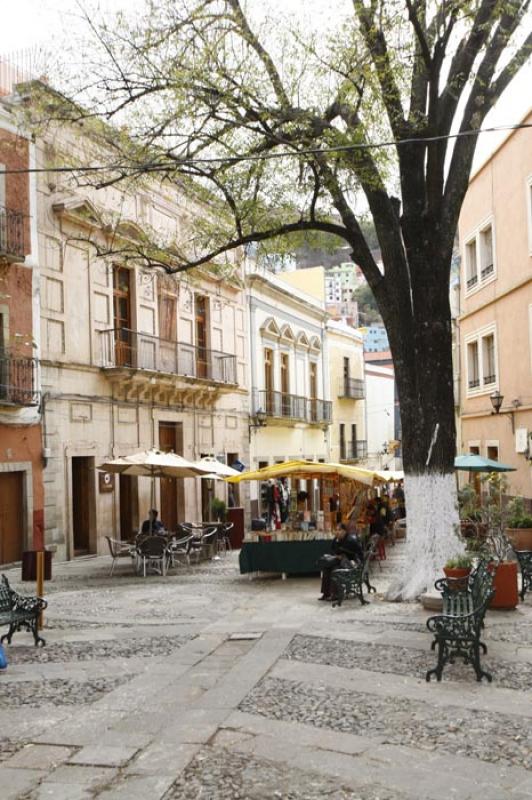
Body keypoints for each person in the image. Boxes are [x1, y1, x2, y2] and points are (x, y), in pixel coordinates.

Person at [319, 523, 364, 601]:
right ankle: (326, 593)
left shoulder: (349, 540)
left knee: (335, 569)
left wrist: (341, 556)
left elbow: (352, 554)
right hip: (342, 562)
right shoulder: (337, 539)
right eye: (336, 530)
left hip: (352, 564)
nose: (337, 532)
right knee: (326, 568)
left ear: (344, 531)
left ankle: (335, 594)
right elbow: (333, 550)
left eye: (339, 530)